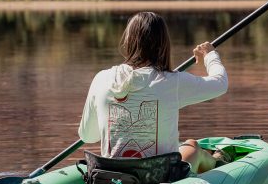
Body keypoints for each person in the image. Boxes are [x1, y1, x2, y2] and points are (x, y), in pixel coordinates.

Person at [78, 11, 228, 173]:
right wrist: (210, 55)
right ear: (163, 45)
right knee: (192, 148)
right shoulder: (172, 82)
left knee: (190, 144)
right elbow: (220, 83)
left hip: (113, 177)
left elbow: (88, 137)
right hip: (160, 178)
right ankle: (218, 160)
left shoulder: (101, 79)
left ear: (128, 42)